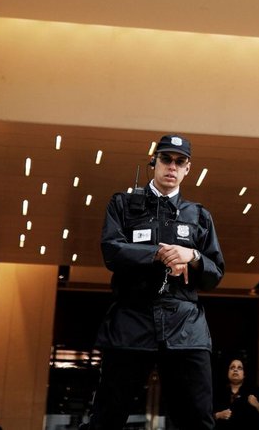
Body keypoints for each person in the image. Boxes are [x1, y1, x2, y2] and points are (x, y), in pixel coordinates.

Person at [93, 134, 226, 430]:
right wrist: (158, 254)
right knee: (107, 417)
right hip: (131, 321)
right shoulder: (122, 204)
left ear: (188, 168)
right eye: (166, 159)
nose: (172, 167)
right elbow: (111, 250)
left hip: (185, 327)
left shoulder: (199, 216)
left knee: (198, 420)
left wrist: (192, 255)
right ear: (154, 161)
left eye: (180, 161)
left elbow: (215, 273)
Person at [214, 355, 259, 427]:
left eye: (239, 368)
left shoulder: (256, 391)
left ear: (244, 374)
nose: (235, 370)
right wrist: (218, 415)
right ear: (227, 372)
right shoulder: (218, 392)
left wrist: (258, 405)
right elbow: (206, 417)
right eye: (232, 367)